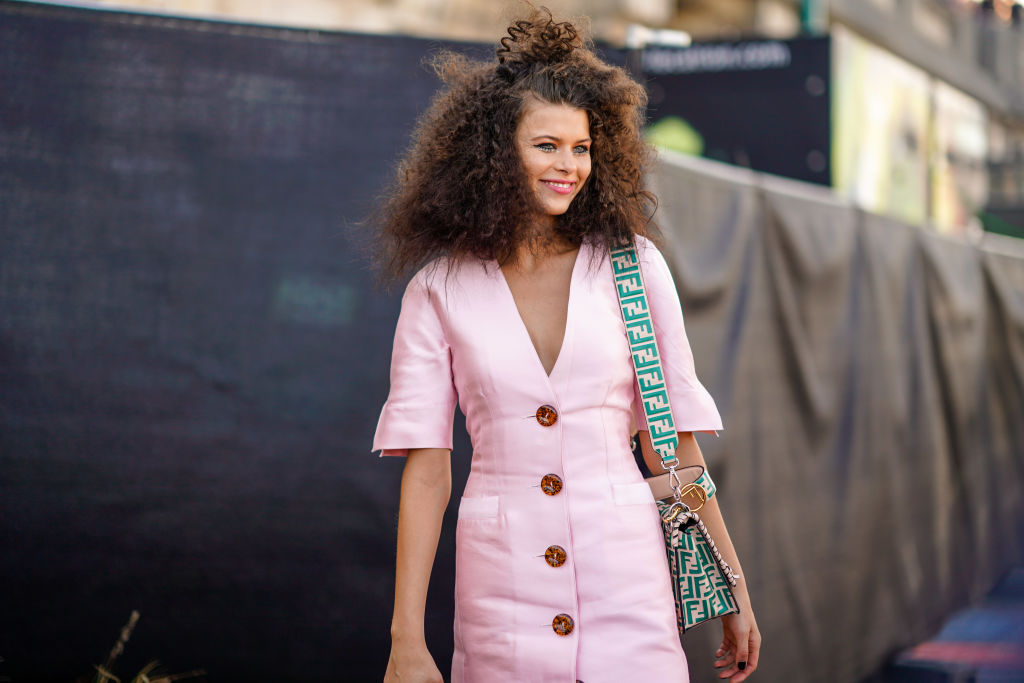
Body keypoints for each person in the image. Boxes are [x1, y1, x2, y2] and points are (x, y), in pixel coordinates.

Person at [371, 8, 760, 683]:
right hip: (500, 598)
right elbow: (429, 470)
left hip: (630, 593)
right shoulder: (438, 289)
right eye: (546, 145)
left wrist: (732, 586)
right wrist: (406, 636)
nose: (569, 165)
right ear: (494, 151)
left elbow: (674, 450)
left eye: (581, 148)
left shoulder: (635, 269)